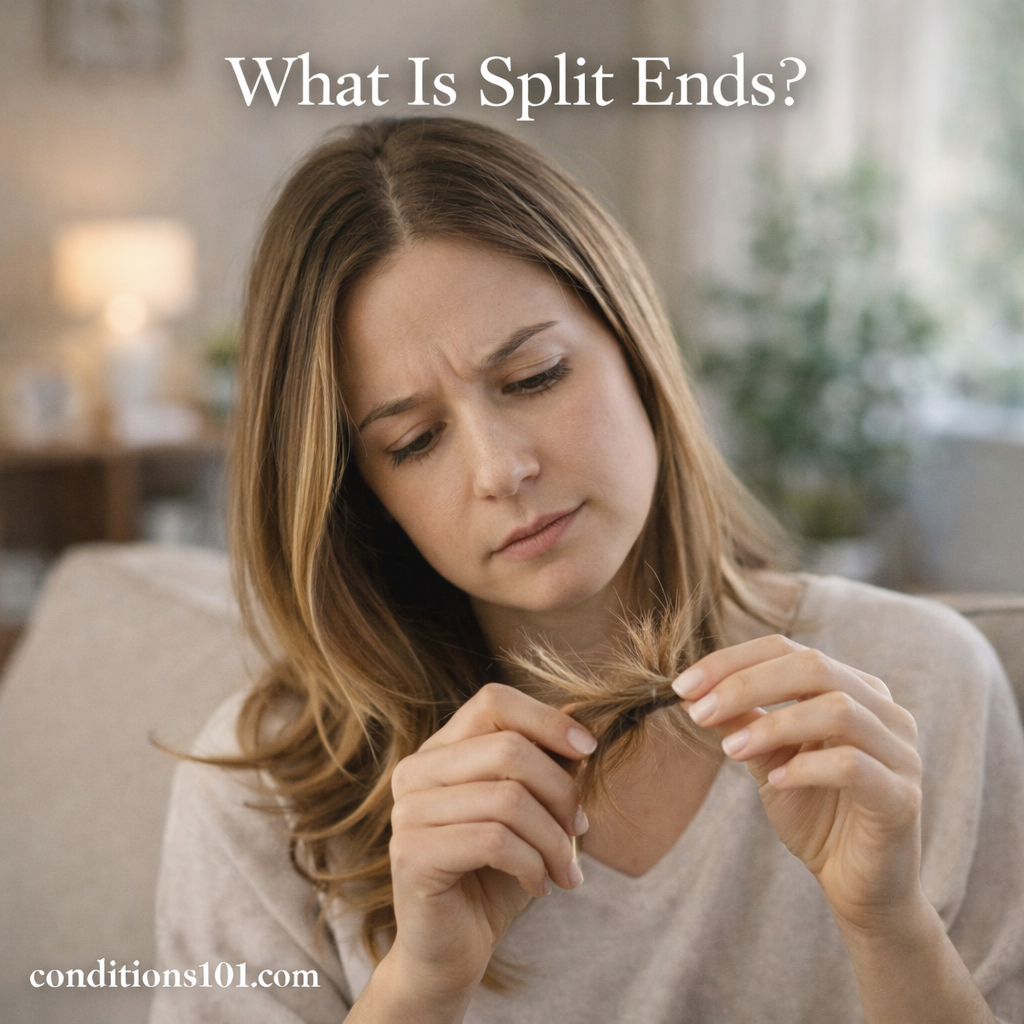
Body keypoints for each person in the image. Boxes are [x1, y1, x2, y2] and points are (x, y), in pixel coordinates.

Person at [150, 117, 1024, 1024]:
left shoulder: (924, 684)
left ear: (637, 351)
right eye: (414, 441)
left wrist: (890, 928)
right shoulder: (263, 801)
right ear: (360, 494)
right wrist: (421, 983)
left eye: (534, 377)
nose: (500, 469)